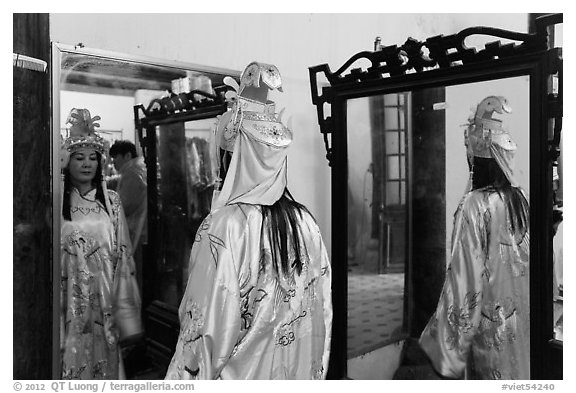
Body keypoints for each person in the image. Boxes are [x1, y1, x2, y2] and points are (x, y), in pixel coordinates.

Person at [165, 62, 332, 380]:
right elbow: (322, 313)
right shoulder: (305, 221)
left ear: (230, 158)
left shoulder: (226, 226)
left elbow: (203, 332)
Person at [419, 96, 530, 380]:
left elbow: (464, 275)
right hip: (525, 317)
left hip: (491, 322)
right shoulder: (520, 199)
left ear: (478, 157)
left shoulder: (476, 203)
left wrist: (444, 342)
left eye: (469, 149)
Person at [60, 108, 142, 379]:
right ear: (66, 162)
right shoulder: (56, 203)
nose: (87, 164)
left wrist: (126, 309)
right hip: (67, 296)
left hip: (106, 294)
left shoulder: (112, 202)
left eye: (92, 158)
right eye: (79, 158)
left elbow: (124, 254)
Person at [109, 140, 148, 295]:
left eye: (115, 158)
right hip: (141, 228)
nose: (113, 163)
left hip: (135, 231)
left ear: (127, 155)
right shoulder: (139, 170)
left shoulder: (132, 175)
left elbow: (124, 206)